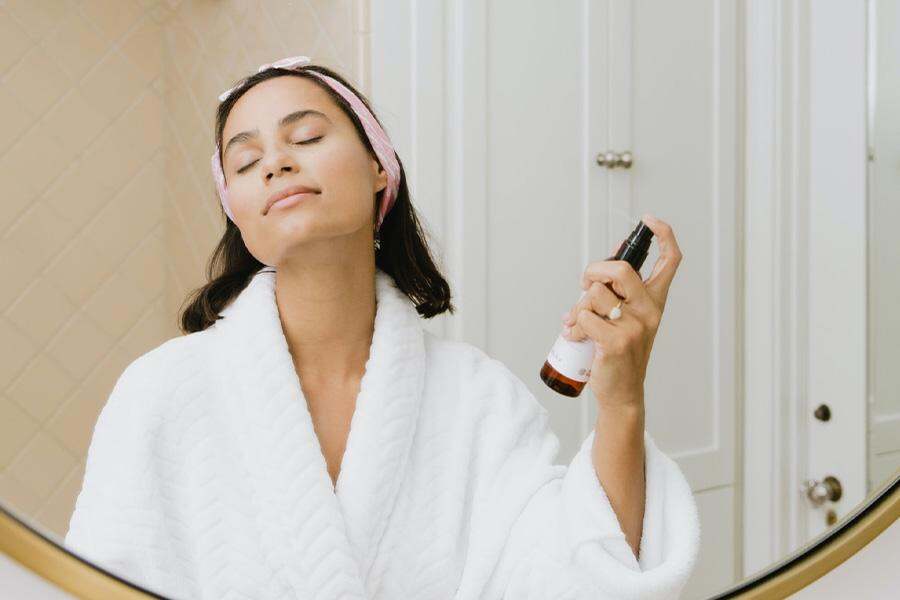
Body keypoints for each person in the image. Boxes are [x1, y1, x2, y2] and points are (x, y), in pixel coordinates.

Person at [64, 57, 700, 600]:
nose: (276, 163)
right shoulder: (160, 394)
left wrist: (622, 402)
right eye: (247, 160)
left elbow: (578, 580)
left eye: (306, 136)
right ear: (237, 214)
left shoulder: (479, 399)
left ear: (379, 168)